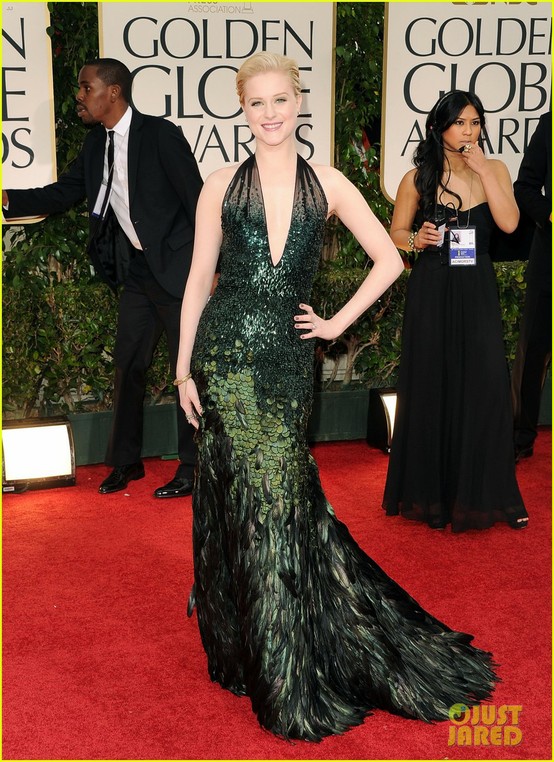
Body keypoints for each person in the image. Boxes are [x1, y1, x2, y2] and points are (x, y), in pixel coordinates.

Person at [175, 54, 498, 742]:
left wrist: (333, 325)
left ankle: (286, 661)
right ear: (242, 109)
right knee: (248, 503)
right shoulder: (218, 185)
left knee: (280, 503)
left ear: (299, 103)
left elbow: (390, 259)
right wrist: (181, 372)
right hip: (224, 359)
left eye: (280, 100)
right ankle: (261, 655)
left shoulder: (328, 182)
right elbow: (199, 280)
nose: (269, 113)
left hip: (288, 367)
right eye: (257, 102)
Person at [2, 58, 203, 498]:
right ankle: (127, 462)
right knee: (128, 364)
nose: (79, 96)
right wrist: (5, 199)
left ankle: (192, 466)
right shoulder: (96, 145)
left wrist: (212, 267)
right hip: (139, 272)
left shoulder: (159, 135)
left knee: (185, 369)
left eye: (85, 87)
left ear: (113, 92)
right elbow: (62, 193)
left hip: (180, 269)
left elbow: (197, 199)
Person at [382, 90, 528, 532]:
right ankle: (432, 494)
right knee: (432, 384)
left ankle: (493, 494)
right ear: (438, 128)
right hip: (432, 287)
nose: (469, 131)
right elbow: (396, 233)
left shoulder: (494, 169)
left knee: (486, 385)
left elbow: (509, 223)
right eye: (460, 123)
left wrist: (482, 169)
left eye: (475, 122)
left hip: (477, 287)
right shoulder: (417, 178)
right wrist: (416, 240)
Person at [511, 111, 552, 462]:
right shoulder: (550, 124)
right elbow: (524, 187)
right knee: (534, 348)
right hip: (549, 253)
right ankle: (520, 435)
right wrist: (550, 215)